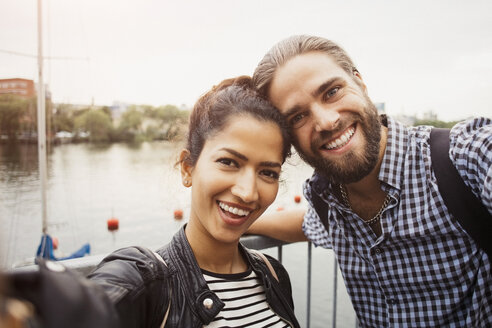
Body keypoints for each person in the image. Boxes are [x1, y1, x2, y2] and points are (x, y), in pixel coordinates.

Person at [2, 76, 300, 328]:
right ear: (187, 168)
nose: (248, 192)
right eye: (229, 162)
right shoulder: (146, 282)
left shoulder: (274, 275)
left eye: (267, 172)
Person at [249, 35, 492, 327]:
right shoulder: (328, 201)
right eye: (298, 116)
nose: (326, 121)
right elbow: (305, 224)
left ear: (360, 83)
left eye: (332, 92)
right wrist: (230, 222)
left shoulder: (463, 159)